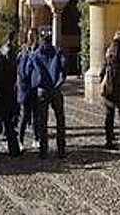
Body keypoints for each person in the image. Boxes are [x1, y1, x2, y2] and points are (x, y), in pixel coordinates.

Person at [29, 29, 67, 158]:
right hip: (55, 89)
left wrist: (35, 83)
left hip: (42, 90)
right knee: (60, 120)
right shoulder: (57, 52)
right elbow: (64, 68)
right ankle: (61, 149)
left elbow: (29, 71)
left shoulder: (35, 54)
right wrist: (60, 82)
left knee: (42, 121)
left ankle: (43, 150)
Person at [99, 31, 120, 150]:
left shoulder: (109, 52)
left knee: (109, 115)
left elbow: (102, 71)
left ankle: (108, 141)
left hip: (110, 89)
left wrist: (103, 82)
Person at [15, 29, 38, 147]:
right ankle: (20, 140)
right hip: (25, 88)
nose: (31, 38)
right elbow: (20, 70)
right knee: (24, 116)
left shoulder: (38, 50)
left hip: (35, 88)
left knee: (36, 116)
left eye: (33, 35)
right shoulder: (23, 52)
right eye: (30, 36)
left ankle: (36, 138)